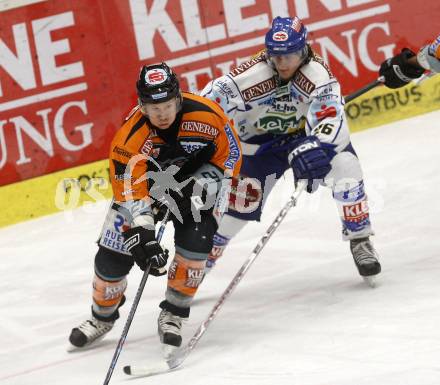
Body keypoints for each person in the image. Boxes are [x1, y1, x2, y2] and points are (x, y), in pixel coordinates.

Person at [68, 63, 241, 350]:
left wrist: (201, 189)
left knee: (197, 242)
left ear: (178, 99)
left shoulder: (208, 115)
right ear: (142, 106)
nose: (162, 113)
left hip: (197, 185)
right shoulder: (128, 138)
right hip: (149, 192)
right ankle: (102, 316)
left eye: (167, 104)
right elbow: (129, 189)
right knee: (112, 257)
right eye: (153, 106)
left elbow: (231, 155)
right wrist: (144, 228)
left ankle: (174, 313)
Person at [200, 16, 381, 281]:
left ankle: (360, 237)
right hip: (258, 147)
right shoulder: (250, 76)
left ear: (304, 49)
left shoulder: (319, 77)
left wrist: (319, 147)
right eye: (276, 55)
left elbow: (333, 122)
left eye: (290, 55)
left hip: (302, 140)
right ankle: (201, 261)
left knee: (345, 165)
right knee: (238, 208)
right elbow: (208, 102)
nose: (282, 62)